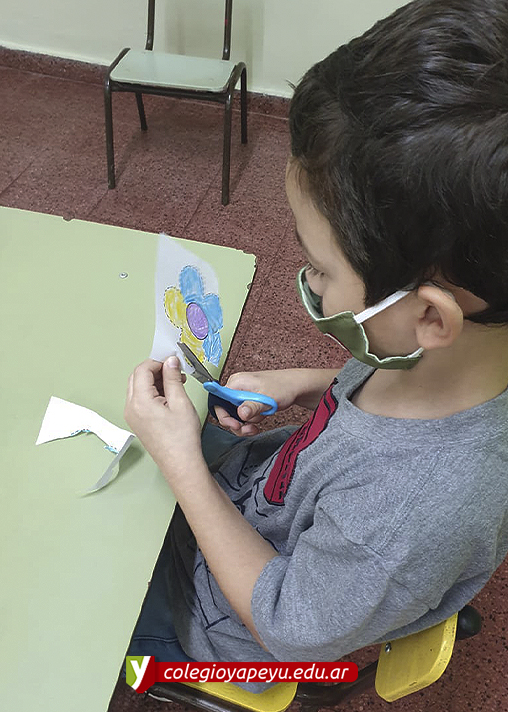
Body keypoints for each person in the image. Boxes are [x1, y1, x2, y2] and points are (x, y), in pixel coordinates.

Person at [124, 0, 508, 680]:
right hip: (259, 493)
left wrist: (183, 467)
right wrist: (304, 384)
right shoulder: (459, 357)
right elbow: (382, 408)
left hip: (217, 618)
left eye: (320, 270)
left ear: (430, 318)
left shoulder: (413, 511)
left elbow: (288, 626)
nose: (307, 282)